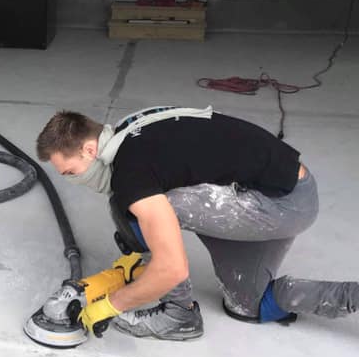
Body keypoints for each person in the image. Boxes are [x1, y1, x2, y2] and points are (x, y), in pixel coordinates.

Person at [31, 106, 359, 341]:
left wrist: (108, 307)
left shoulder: (131, 170)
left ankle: (179, 314)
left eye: (71, 172)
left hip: (282, 205)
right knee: (249, 305)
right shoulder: (131, 128)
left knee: (138, 206)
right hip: (281, 189)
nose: (75, 181)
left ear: (90, 149)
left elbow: (173, 269)